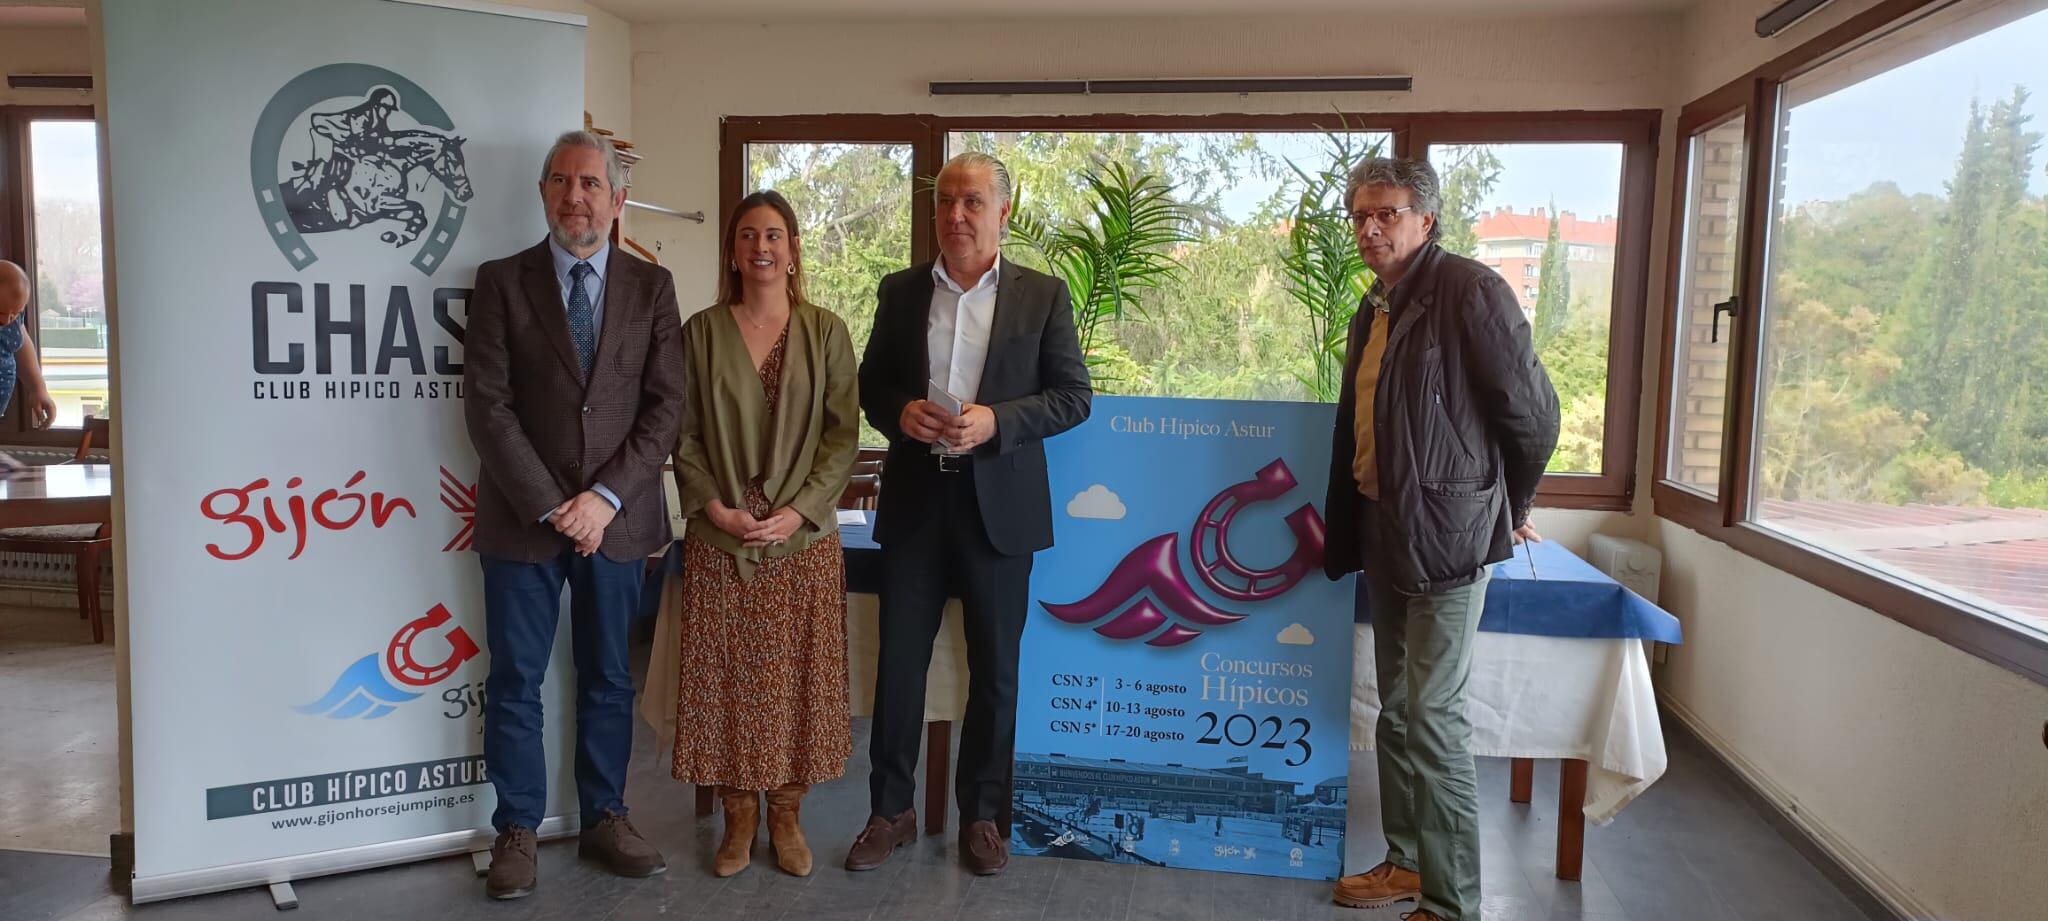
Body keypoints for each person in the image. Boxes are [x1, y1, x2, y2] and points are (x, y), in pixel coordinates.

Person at [1322, 157, 1559, 920]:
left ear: (1427, 219)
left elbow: (1533, 415)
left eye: (1386, 213)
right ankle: (1405, 863)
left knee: (1432, 714)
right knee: (1396, 708)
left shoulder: (1469, 291)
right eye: (1360, 215)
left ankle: (1452, 901)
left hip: (1450, 539)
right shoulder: (1377, 305)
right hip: (1384, 527)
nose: (1369, 228)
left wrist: (1506, 504)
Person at [847, 151, 1091, 876]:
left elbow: (1074, 395)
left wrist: (997, 421)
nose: (956, 214)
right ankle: (889, 811)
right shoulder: (898, 292)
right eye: (946, 201)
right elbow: (871, 386)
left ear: (1003, 213)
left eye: (973, 202)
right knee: (899, 669)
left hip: (1001, 510)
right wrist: (901, 413)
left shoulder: (1041, 296)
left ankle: (982, 817)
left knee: (997, 673)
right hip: (918, 502)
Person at [462, 129, 685, 901]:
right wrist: (556, 503)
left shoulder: (652, 290)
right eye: (562, 181)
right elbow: (487, 408)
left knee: (608, 677)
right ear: (544, 193)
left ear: (617, 200)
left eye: (591, 183)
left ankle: (605, 817)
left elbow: (664, 408)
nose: (576, 196)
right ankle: (516, 830)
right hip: (524, 519)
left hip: (617, 522)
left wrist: (604, 498)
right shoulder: (499, 282)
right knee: (518, 679)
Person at [641, 189, 858, 878]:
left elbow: (842, 434)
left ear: (793, 250)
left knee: (798, 683)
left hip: (803, 543)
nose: (760, 247)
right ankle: (738, 816)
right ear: (732, 251)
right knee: (727, 683)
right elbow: (684, 433)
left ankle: (788, 814)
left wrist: (799, 510)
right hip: (723, 539)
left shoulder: (826, 331)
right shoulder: (699, 333)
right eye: (746, 236)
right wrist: (713, 507)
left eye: (774, 235)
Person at [0, 260, 64, 430]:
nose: (6, 320)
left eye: (15, 313)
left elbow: (21, 346)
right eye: (1, 312)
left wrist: (38, 389)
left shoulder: (12, 320)